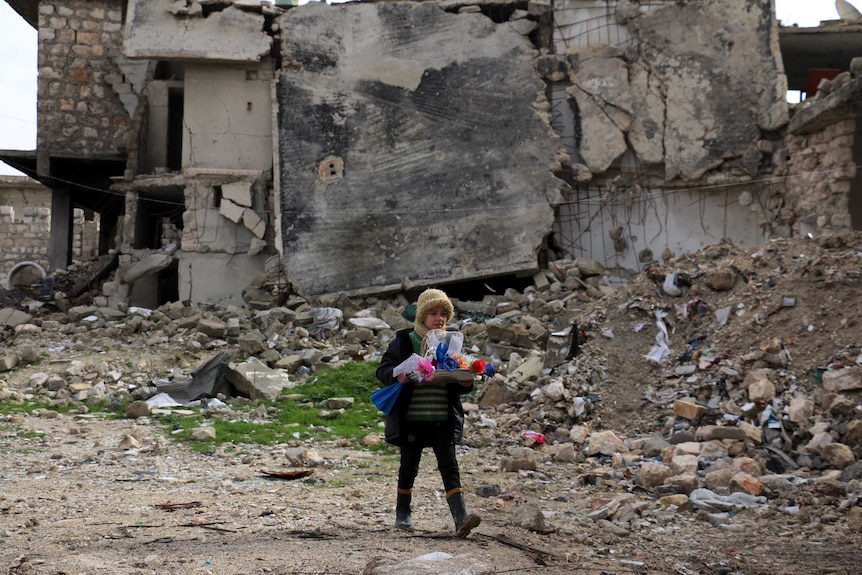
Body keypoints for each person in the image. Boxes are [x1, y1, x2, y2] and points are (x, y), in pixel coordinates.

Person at [375, 288, 482, 537]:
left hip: (442, 419)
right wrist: (398, 375)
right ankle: (403, 514)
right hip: (412, 418)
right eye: (433, 313)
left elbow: (459, 378)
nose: (439, 318)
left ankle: (461, 518)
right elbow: (382, 372)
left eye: (443, 313)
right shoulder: (404, 341)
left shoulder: (451, 344)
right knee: (408, 466)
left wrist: (466, 383)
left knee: (449, 466)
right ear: (422, 316)